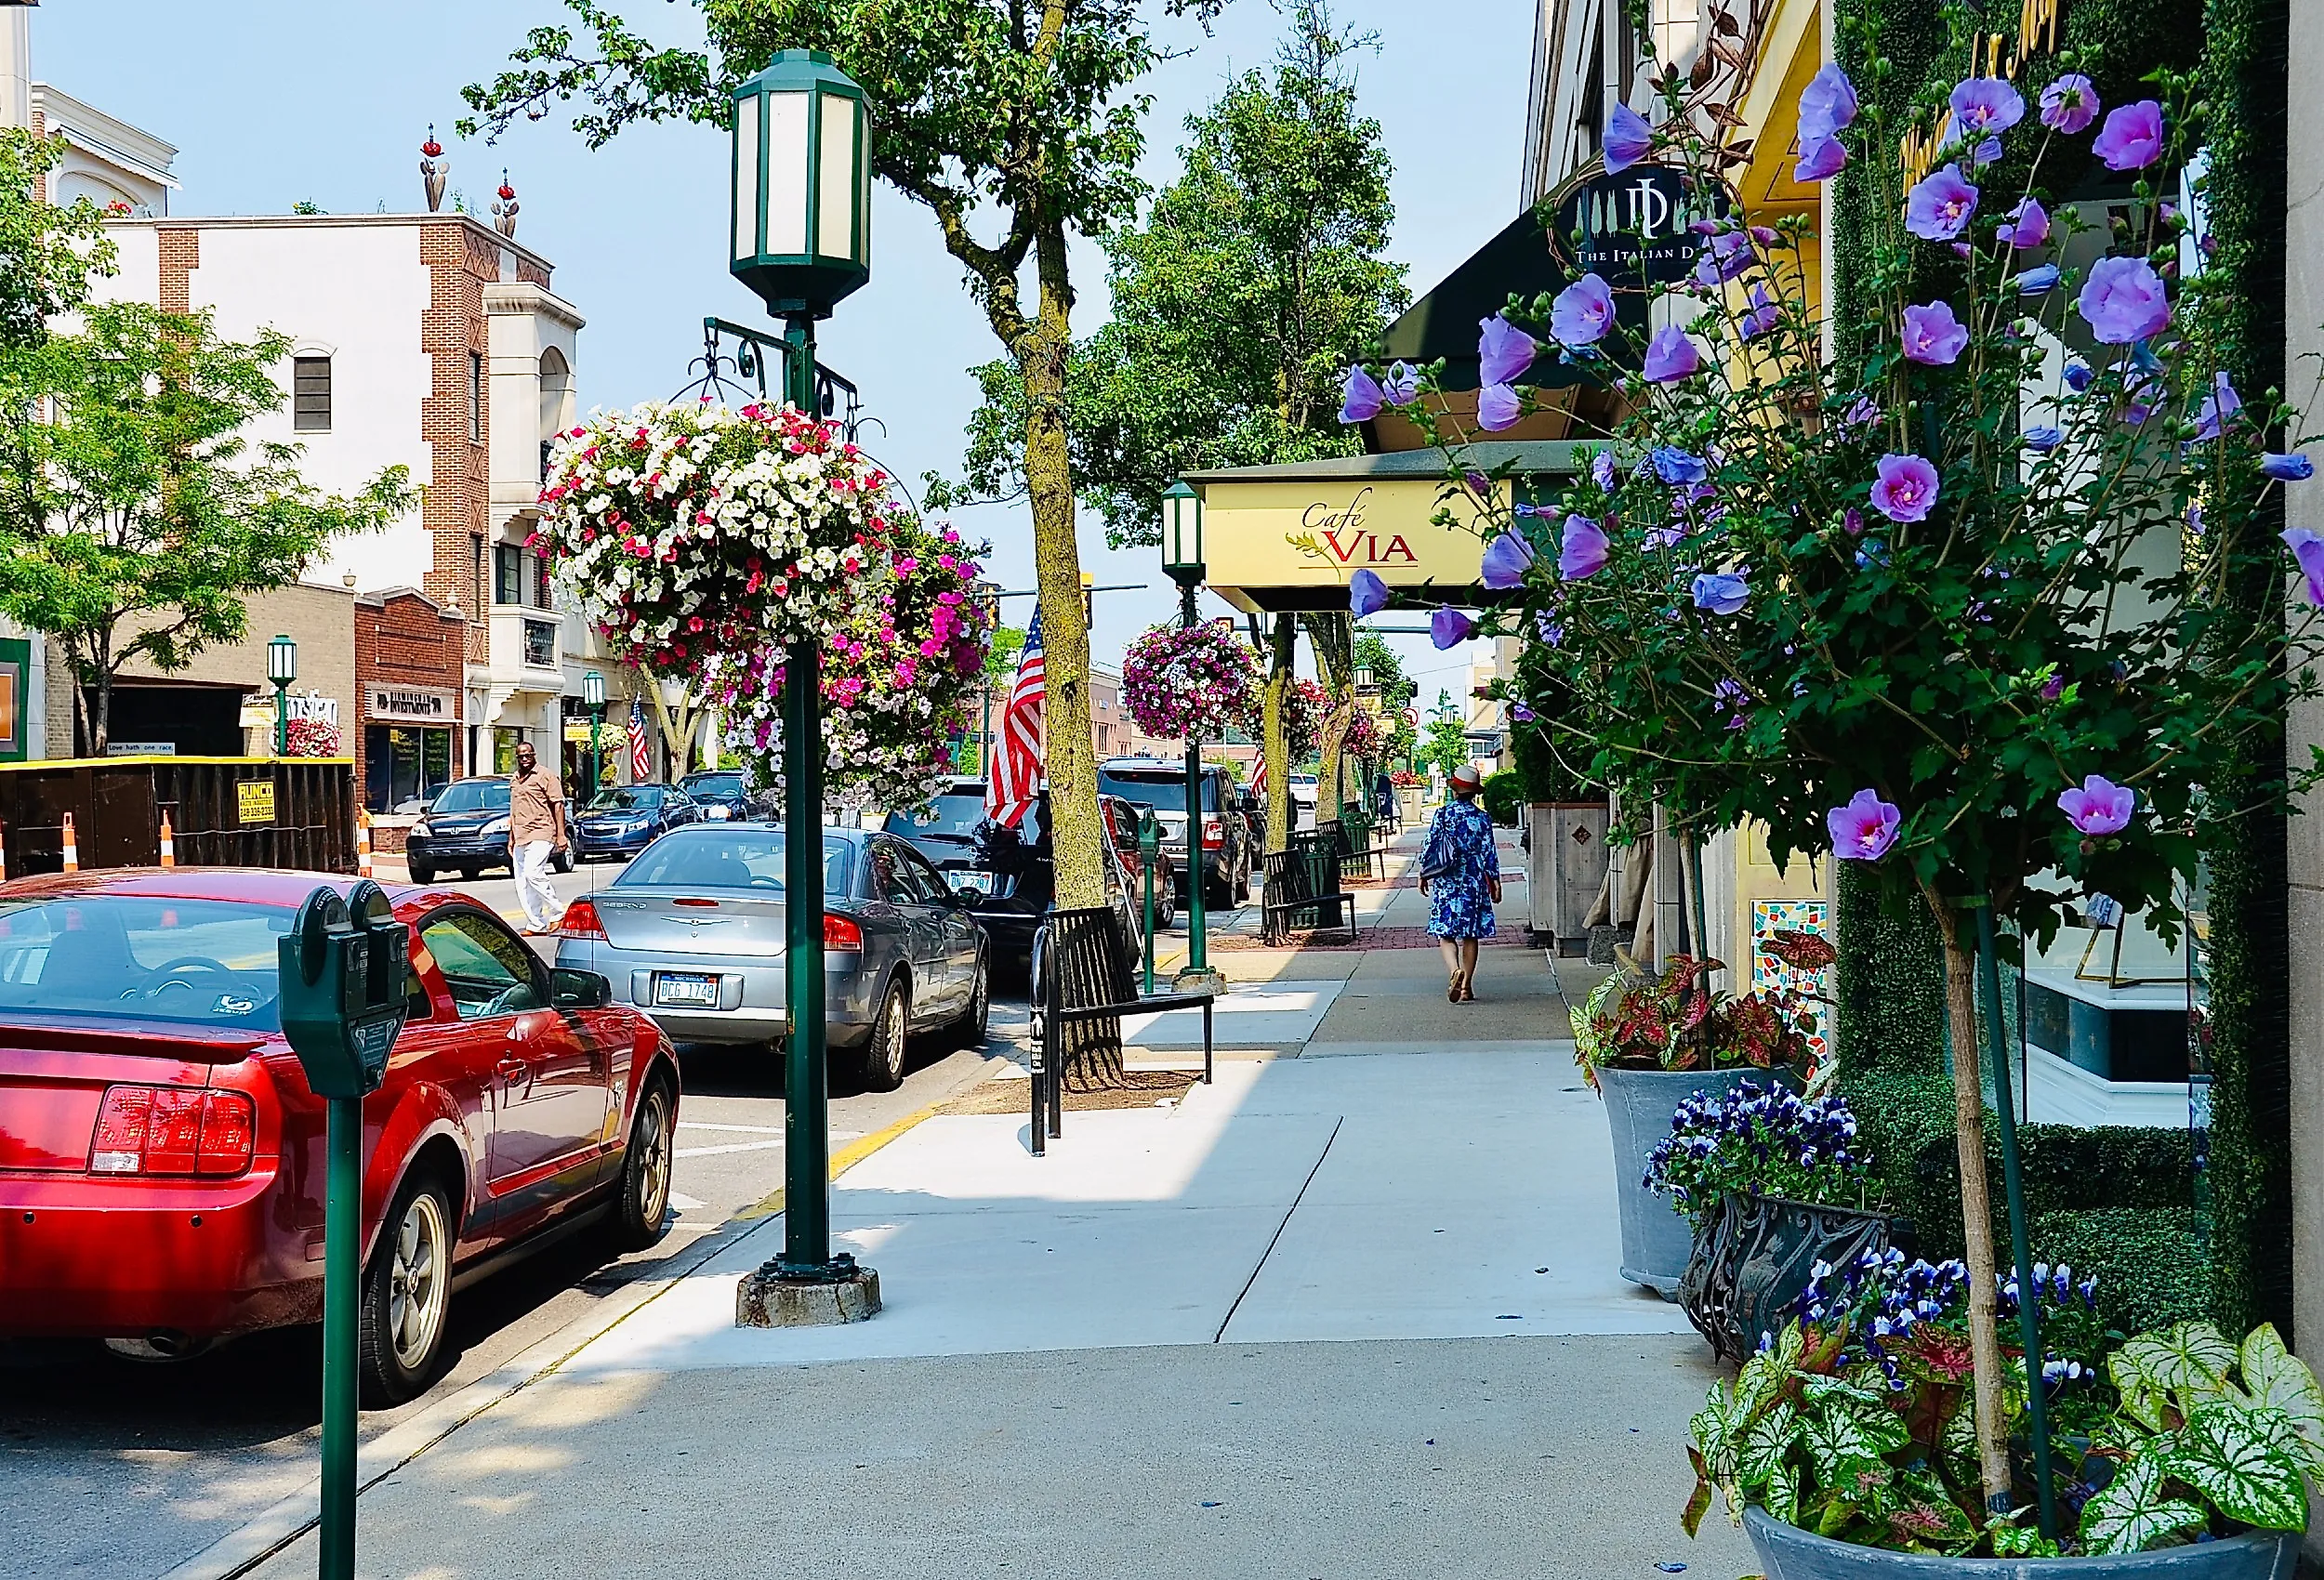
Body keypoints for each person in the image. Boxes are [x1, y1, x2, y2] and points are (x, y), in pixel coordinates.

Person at [1419, 762, 1500, 1002]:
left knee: (1445, 933)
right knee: (1470, 934)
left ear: (1454, 790)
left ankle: (1455, 970)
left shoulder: (1443, 814)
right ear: (1474, 792)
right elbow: (1489, 852)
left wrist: (1424, 873)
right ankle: (1466, 987)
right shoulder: (1482, 818)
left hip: (1447, 879)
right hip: (1473, 880)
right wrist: (1495, 881)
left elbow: (1430, 846)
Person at [508, 742, 569, 935]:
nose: (524, 759)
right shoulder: (515, 779)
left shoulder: (546, 776)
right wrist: (511, 837)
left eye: (528, 755)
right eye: (521, 756)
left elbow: (558, 805)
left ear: (534, 755)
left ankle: (558, 912)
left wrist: (561, 834)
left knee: (533, 872)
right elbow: (514, 810)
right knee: (522, 881)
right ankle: (536, 923)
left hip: (542, 831)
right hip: (520, 834)